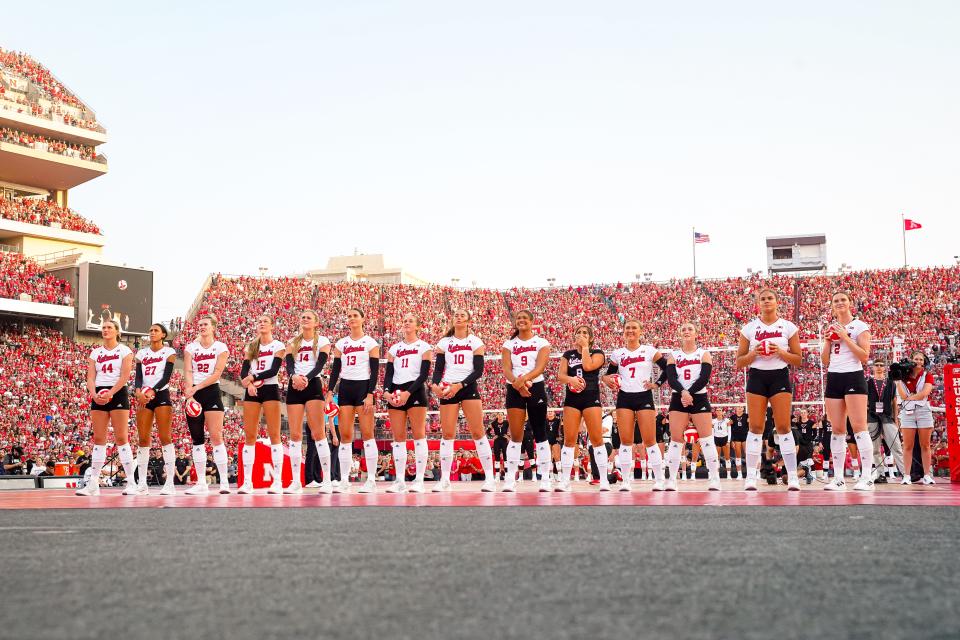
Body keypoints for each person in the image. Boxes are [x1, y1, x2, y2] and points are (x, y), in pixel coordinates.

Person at [735, 288, 803, 491]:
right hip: (757, 377)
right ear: (758, 303)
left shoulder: (788, 327)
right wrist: (754, 353)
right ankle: (751, 477)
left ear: (776, 301)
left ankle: (792, 476)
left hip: (779, 376)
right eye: (762, 298)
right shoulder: (749, 328)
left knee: (783, 427)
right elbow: (740, 362)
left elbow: (798, 359)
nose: (766, 301)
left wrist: (780, 351)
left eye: (770, 298)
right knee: (755, 427)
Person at [432, 309, 495, 492]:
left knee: (478, 432)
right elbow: (438, 368)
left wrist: (460, 385)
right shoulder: (444, 342)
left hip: (467, 387)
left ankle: (490, 478)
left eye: (462, 315)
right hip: (448, 387)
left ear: (469, 320)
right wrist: (435, 385)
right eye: (456, 315)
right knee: (447, 434)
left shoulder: (475, 341)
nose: (458, 318)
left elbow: (478, 371)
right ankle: (445, 479)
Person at [602, 319, 666, 491]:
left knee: (650, 440)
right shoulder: (618, 353)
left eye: (634, 328)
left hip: (644, 395)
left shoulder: (649, 350)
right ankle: (626, 480)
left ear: (641, 331)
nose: (630, 330)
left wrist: (657, 384)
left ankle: (659, 479)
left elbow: (667, 368)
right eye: (627, 328)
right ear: (623, 331)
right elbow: (608, 375)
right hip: (624, 397)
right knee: (626, 441)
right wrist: (606, 379)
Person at [76, 319, 136, 496]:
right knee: (99, 438)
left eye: (109, 327)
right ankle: (93, 483)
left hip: (117, 392)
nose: (105, 330)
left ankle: (131, 482)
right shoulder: (95, 352)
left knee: (121, 437)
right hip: (99, 394)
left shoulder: (125, 350)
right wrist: (94, 394)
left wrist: (111, 392)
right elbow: (91, 378)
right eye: (103, 327)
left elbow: (125, 376)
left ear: (117, 331)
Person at [821, 291, 874, 491]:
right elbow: (825, 361)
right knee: (837, 429)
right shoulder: (830, 328)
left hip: (853, 375)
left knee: (859, 426)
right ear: (832, 306)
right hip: (834, 376)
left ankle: (867, 476)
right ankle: (839, 479)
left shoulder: (860, 326)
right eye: (836, 301)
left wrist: (845, 337)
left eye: (843, 299)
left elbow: (864, 355)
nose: (840, 303)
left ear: (850, 303)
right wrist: (828, 340)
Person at [326, 308, 380, 493]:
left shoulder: (370, 342)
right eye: (349, 316)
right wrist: (329, 391)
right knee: (346, 436)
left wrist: (371, 393)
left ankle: (371, 479)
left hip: (364, 387)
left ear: (363, 319)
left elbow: (375, 371)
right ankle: (344, 480)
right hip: (346, 387)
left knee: (367, 434)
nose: (351, 318)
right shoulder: (341, 343)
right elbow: (335, 370)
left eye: (355, 315)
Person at [500, 310, 552, 492]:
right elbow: (506, 368)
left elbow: (540, 366)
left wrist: (524, 380)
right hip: (514, 388)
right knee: (515, 435)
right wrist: (517, 383)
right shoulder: (509, 343)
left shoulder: (541, 342)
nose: (521, 320)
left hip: (535, 387)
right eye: (518, 318)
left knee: (540, 433)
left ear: (531, 322)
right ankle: (510, 478)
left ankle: (545, 477)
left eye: (524, 318)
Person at [383, 313, 433, 493]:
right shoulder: (394, 348)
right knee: (398, 438)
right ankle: (399, 480)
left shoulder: (424, 347)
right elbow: (388, 373)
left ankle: (419, 479)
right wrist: (387, 392)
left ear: (418, 326)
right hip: (396, 390)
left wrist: (408, 392)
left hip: (415, 390)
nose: (407, 323)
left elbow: (424, 374)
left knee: (419, 434)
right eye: (405, 320)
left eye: (411, 320)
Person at [181, 315, 231, 495]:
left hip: (210, 392)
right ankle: (201, 482)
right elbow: (187, 370)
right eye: (200, 324)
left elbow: (217, 373)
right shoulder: (191, 348)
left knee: (217, 436)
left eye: (205, 324)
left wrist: (196, 388)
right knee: (197, 439)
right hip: (193, 395)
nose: (202, 327)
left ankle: (224, 481)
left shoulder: (220, 347)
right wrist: (189, 392)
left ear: (213, 327)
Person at [238, 315, 287, 494]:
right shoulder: (251, 346)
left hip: (270, 388)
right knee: (250, 435)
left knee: (274, 434)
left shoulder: (278, 345)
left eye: (265, 321)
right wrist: (249, 384)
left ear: (272, 326)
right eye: (259, 322)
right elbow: (244, 370)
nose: (262, 324)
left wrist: (253, 378)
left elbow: (274, 370)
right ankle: (247, 482)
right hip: (252, 390)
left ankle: (278, 481)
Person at [283, 310, 331, 493]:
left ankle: (326, 479)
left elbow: (320, 365)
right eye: (302, 317)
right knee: (294, 435)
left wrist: (305, 378)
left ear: (316, 322)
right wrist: (294, 377)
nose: (304, 319)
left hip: (313, 384)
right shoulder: (292, 342)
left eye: (308, 317)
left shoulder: (322, 341)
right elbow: (288, 364)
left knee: (318, 433)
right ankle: (296, 481)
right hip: (294, 384)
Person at [556, 325, 606, 491]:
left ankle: (604, 479)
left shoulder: (597, 353)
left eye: (585, 333)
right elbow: (560, 375)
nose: (581, 334)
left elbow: (588, 367)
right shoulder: (568, 355)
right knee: (569, 440)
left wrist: (585, 347)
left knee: (597, 439)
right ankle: (565, 481)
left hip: (591, 397)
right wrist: (571, 379)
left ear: (591, 338)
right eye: (579, 332)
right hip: (572, 399)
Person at [133, 323, 177, 495]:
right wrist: (138, 392)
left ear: (163, 335)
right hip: (144, 395)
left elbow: (166, 377)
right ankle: (142, 483)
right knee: (143, 439)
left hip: (161, 394)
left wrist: (153, 390)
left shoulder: (169, 352)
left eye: (156, 330)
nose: (152, 333)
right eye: (150, 330)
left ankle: (170, 483)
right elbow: (138, 376)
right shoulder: (142, 353)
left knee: (165, 436)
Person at [895, 351, 936, 485]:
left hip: (923, 410)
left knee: (925, 445)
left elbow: (924, 393)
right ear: (911, 360)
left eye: (921, 359)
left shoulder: (927, 375)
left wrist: (909, 397)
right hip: (907, 411)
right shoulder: (903, 376)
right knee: (908, 445)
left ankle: (927, 475)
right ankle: (906, 475)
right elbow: (901, 394)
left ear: (924, 362)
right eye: (916, 359)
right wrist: (899, 381)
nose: (918, 361)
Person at [865, 361, 904, 481]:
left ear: (885, 368)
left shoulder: (891, 383)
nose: (879, 367)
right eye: (877, 365)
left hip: (887, 418)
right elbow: (864, 402)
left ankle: (905, 473)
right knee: (875, 449)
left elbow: (894, 402)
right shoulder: (867, 383)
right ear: (872, 368)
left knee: (896, 447)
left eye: (881, 365)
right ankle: (880, 474)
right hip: (872, 417)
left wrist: (896, 421)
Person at [729, 406, 748, 479]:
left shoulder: (746, 416)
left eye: (741, 407)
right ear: (735, 409)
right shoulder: (733, 417)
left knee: (747, 454)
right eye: (738, 407)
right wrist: (732, 440)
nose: (739, 408)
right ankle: (739, 474)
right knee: (738, 456)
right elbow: (730, 429)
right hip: (736, 438)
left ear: (743, 408)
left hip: (745, 437)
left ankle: (750, 473)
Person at [712, 407, 731, 477]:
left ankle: (729, 475)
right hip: (716, 439)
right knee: (717, 457)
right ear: (715, 412)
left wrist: (728, 440)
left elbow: (729, 431)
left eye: (720, 410)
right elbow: (712, 432)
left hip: (725, 438)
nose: (718, 411)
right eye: (717, 410)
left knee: (727, 457)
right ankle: (717, 474)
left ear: (723, 412)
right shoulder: (713, 421)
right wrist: (713, 441)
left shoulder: (727, 420)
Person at [490, 413, 509, 480]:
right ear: (497, 416)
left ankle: (506, 475)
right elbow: (488, 431)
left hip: (504, 441)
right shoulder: (494, 423)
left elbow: (512, 428)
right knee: (497, 457)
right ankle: (497, 476)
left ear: (503, 416)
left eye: (501, 415)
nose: (500, 416)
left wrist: (508, 436)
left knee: (505, 457)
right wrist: (492, 436)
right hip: (497, 441)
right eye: (499, 415)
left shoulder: (506, 422)